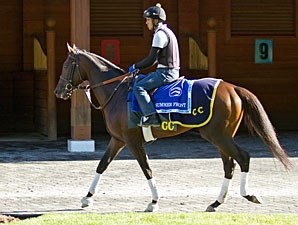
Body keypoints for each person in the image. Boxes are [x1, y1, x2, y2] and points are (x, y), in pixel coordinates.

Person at [128, 3, 180, 127]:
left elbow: (151, 60)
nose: (146, 22)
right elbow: (156, 59)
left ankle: (151, 117)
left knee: (139, 87)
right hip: (168, 71)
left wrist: (136, 66)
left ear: (156, 20)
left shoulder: (159, 34)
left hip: (166, 73)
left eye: (148, 19)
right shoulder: (167, 32)